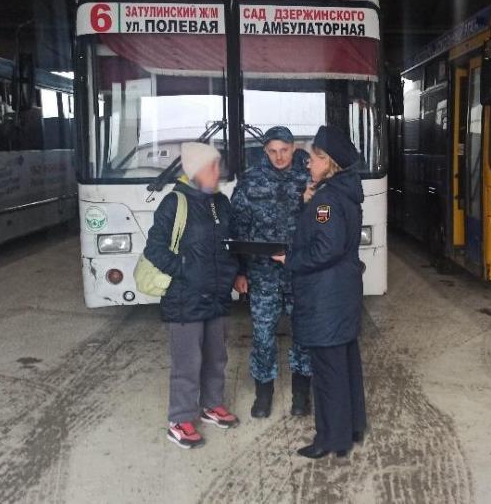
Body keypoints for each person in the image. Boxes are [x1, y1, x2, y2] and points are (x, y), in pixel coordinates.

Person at [272, 126, 367, 459]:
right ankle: (350, 429)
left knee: (328, 372)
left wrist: (290, 259)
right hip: (341, 293)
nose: (307, 163)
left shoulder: (327, 199)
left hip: (326, 298)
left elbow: (326, 248)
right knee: (344, 365)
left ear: (329, 163)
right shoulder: (342, 193)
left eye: (313, 158)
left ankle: (330, 439)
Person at [143, 142, 241, 449]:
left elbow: (231, 243)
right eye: (213, 166)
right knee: (188, 362)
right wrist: (185, 269)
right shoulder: (174, 203)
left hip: (216, 296)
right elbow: (154, 248)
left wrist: (237, 273)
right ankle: (181, 419)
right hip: (185, 297)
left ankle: (211, 405)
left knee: (216, 356)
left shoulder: (221, 202)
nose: (219, 171)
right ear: (196, 170)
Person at [231, 126, 313, 419]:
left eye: (285, 150)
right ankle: (263, 395)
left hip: (300, 273)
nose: (279, 157)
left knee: (304, 333)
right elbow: (237, 228)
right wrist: (239, 272)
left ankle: (301, 396)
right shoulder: (250, 181)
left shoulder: (309, 178)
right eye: (273, 151)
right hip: (262, 274)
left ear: (293, 148)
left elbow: (322, 224)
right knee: (263, 335)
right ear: (265, 151)